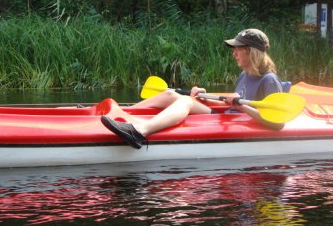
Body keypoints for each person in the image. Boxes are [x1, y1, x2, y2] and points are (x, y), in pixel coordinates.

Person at [101, 28, 284, 149]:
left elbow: (278, 123)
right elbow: (233, 100)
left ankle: (140, 132)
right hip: (229, 115)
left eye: (238, 48)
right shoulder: (245, 74)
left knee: (186, 101)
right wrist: (206, 96)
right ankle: (123, 114)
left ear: (251, 51)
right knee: (169, 94)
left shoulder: (269, 80)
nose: (233, 53)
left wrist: (241, 106)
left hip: (235, 121)